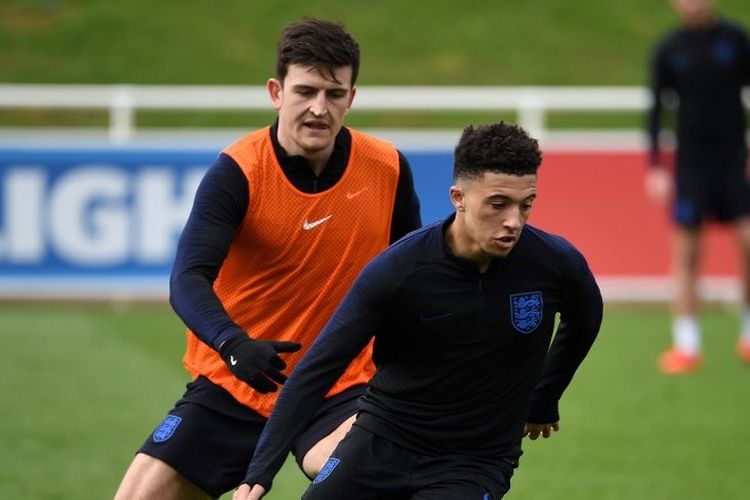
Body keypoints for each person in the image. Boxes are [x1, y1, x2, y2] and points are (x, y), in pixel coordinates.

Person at [114, 18, 421, 500]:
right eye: (306, 91)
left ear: (352, 98)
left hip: (340, 384)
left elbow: (412, 279)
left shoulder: (387, 167)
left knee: (360, 478)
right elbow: (188, 277)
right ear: (277, 92)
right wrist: (233, 343)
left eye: (334, 93)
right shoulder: (238, 171)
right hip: (238, 380)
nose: (319, 108)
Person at [233, 122, 603, 500]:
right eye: (498, 204)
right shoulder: (399, 269)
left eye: (526, 205)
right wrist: (259, 471)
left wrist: (545, 395)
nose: (514, 221)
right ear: (458, 197)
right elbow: (318, 367)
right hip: (380, 441)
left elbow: (587, 317)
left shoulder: (555, 263)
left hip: (474, 462)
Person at [646, 0, 750, 374]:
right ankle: (687, 344)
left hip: (732, 162)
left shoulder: (736, 40)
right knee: (687, 254)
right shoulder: (669, 48)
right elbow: (656, 109)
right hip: (690, 165)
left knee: (748, 242)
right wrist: (656, 167)